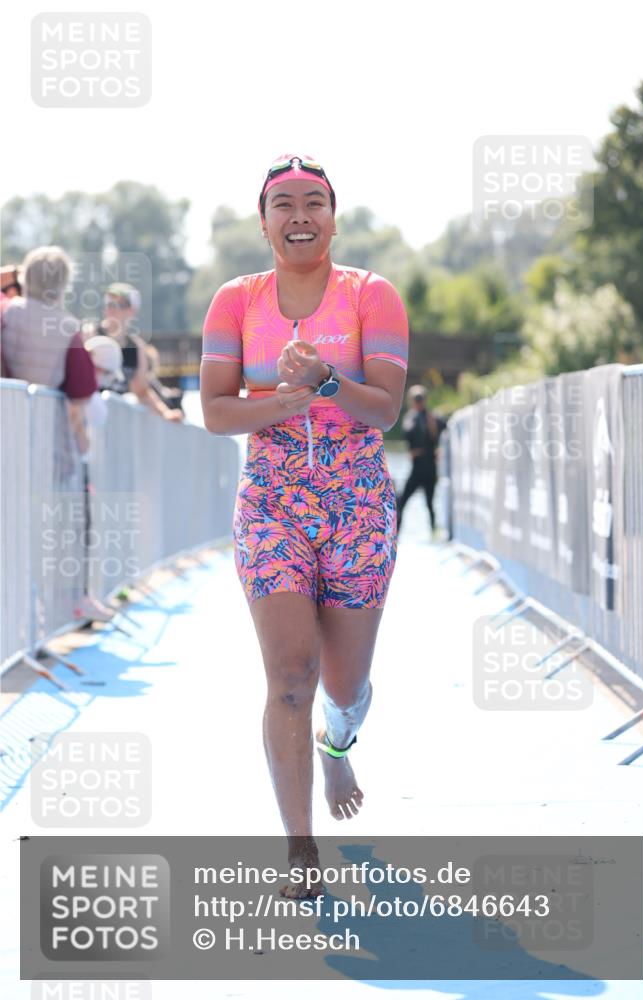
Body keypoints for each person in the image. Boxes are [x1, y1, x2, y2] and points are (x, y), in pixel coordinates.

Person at [200, 154, 409, 898]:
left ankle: (338, 740)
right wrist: (281, 406)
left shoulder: (371, 295)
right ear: (262, 222)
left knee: (342, 685)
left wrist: (322, 380)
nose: (298, 215)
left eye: (313, 202)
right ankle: (298, 849)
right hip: (271, 501)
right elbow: (216, 411)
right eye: (282, 203)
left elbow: (383, 408)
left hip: (355, 499)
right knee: (290, 677)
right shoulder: (235, 299)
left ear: (331, 216)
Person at [0, 246, 97, 453]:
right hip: (44, 439)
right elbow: (82, 392)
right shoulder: (68, 327)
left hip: (6, 424)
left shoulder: (5, 312)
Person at [95, 282, 183, 422]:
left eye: (118, 304)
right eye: (108, 303)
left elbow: (142, 391)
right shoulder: (90, 334)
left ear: (132, 310)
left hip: (111, 421)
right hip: (88, 416)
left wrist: (166, 413)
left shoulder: (137, 348)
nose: (111, 309)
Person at [396, 384, 446, 538]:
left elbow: (409, 433)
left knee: (406, 503)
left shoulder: (415, 418)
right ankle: (430, 533)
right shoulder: (433, 418)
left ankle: (397, 535)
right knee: (427, 504)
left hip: (422, 467)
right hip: (426, 467)